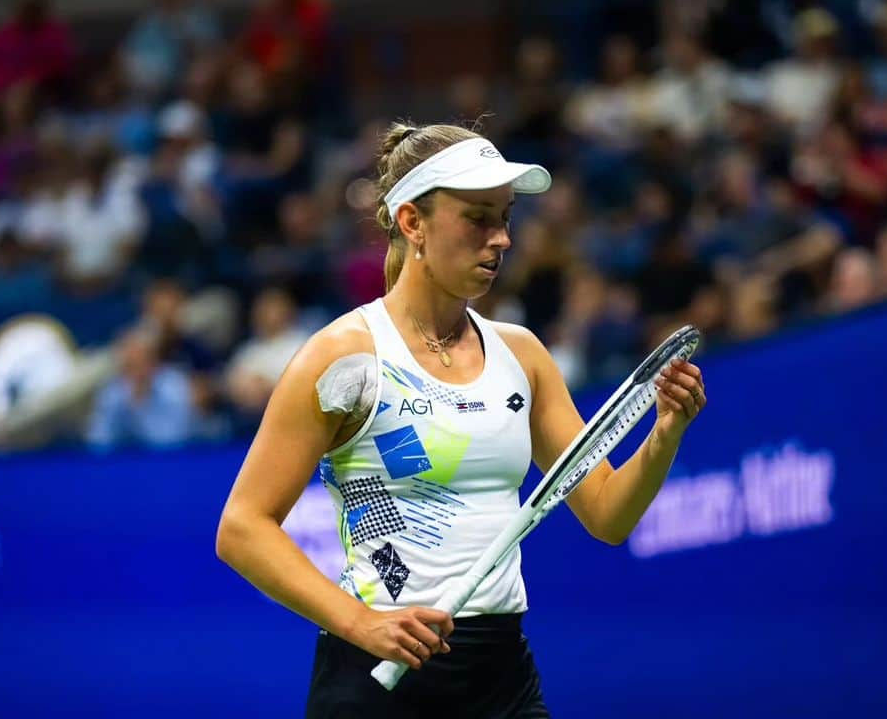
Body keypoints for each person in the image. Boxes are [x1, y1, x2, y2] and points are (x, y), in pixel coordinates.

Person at [215, 122, 708, 718]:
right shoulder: (343, 356)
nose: (501, 239)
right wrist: (361, 624)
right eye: (478, 218)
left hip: (503, 678)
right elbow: (242, 527)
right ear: (412, 223)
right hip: (377, 677)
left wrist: (664, 433)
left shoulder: (521, 355)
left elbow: (606, 514)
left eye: (505, 218)